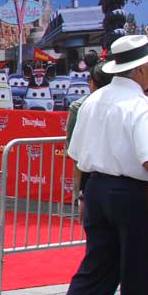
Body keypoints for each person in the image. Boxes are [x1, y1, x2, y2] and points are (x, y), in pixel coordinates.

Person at [44, 35, 148, 295]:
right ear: (142, 70)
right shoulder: (143, 108)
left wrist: (83, 196)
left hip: (97, 190)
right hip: (137, 196)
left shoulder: (93, 102)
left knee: (94, 273)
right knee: (142, 278)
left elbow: (77, 156)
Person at [64, 63, 113, 200]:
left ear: (92, 82)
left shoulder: (80, 106)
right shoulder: (129, 104)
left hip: (93, 175)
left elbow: (74, 147)